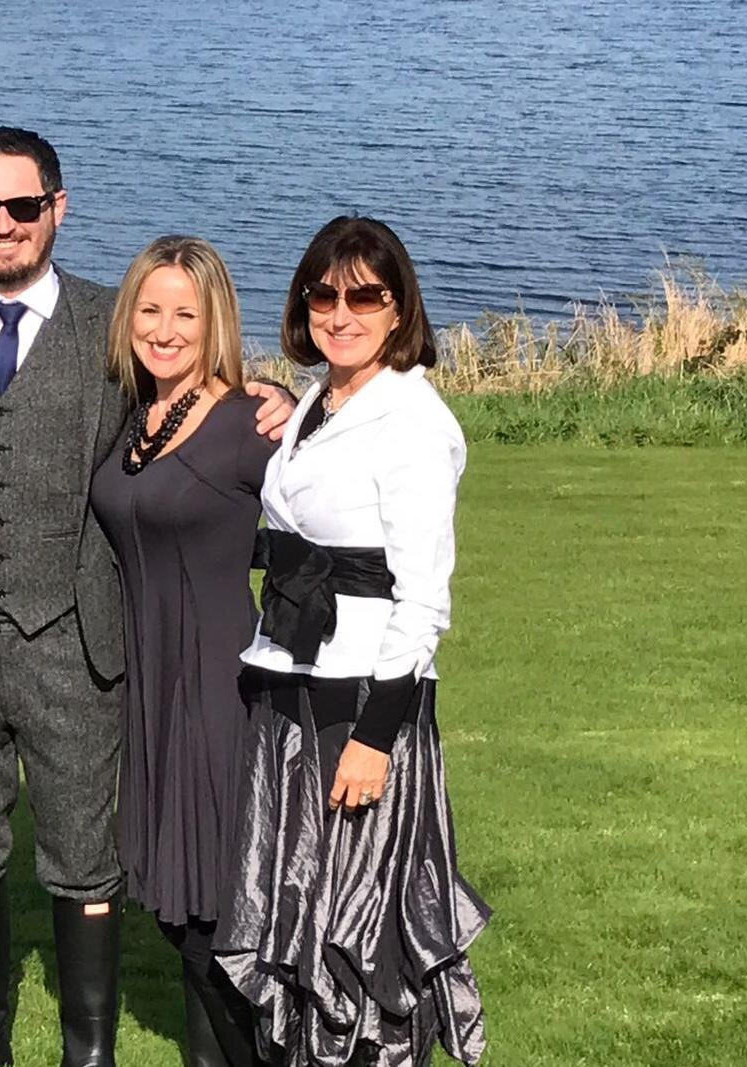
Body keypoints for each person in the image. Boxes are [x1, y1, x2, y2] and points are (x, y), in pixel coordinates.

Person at [0, 127, 293, 1067]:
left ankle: (90, 1049)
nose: (3, 224)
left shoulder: (118, 322)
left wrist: (275, 392)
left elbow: (195, 387)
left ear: (57, 209)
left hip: (78, 637)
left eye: (23, 206)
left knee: (82, 848)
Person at [224, 215, 489, 1066]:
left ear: (399, 307)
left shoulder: (414, 422)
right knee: (299, 899)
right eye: (324, 295)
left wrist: (376, 739)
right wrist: (271, 393)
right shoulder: (318, 398)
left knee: (360, 922)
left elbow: (423, 600)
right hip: (291, 676)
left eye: (365, 297)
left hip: (363, 700)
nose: (341, 314)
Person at [87, 236, 277, 1066]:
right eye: (150, 309)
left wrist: (295, 399)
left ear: (216, 323)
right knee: (180, 910)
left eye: (185, 315)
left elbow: (340, 507)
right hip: (149, 685)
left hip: (216, 685)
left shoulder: (246, 425)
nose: (163, 330)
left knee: (212, 914)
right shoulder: (139, 414)